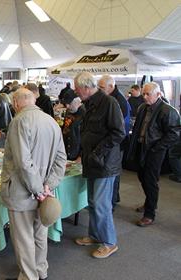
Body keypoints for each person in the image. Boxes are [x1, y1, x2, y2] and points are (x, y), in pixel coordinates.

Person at [1, 88, 66, 280]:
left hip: (23, 191)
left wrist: (38, 189)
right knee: (39, 233)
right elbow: (61, 159)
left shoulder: (19, 121)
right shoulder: (52, 122)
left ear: (15, 103)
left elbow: (23, 162)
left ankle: (29, 276)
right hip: (43, 191)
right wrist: (47, 186)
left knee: (23, 238)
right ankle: (40, 271)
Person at [73, 72, 125, 259]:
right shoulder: (90, 104)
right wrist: (84, 155)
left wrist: (97, 153)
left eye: (77, 88)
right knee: (93, 202)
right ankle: (95, 235)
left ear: (87, 88)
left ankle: (109, 243)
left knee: (101, 204)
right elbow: (89, 133)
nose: (75, 91)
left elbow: (119, 133)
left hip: (103, 163)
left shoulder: (109, 103)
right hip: (93, 161)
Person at [128, 82, 181, 226]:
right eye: (143, 93)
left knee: (150, 180)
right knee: (141, 176)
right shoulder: (143, 108)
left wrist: (158, 147)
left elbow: (174, 133)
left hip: (155, 151)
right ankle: (149, 202)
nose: (144, 97)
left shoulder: (168, 111)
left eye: (148, 94)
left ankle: (150, 213)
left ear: (158, 94)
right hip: (141, 147)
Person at [98, 75, 131, 209]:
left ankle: (111, 201)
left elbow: (117, 128)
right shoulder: (111, 98)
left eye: (102, 87)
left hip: (117, 143)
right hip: (114, 142)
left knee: (113, 173)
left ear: (111, 87)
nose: (99, 90)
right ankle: (112, 199)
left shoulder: (118, 101)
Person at [62, 96, 85, 161]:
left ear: (78, 102)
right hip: (66, 153)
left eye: (69, 103)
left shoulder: (85, 114)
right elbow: (65, 129)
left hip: (77, 156)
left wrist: (81, 155)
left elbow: (87, 138)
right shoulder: (69, 110)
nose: (67, 106)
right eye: (66, 104)